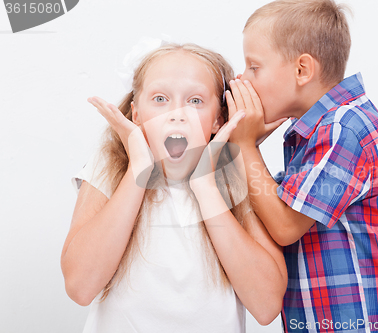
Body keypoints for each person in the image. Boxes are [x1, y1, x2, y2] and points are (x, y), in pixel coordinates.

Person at [226, 0, 378, 332]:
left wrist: (243, 146)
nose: (243, 78)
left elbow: (284, 226)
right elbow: (275, 206)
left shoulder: (344, 128)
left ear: (302, 70)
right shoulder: (319, 132)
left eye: (254, 66)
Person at [60, 42, 287, 333]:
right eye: (159, 98)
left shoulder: (236, 176)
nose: (177, 113)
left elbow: (267, 306)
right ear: (137, 114)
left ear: (218, 119)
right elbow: (80, 286)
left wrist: (205, 186)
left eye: (195, 101)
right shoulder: (109, 168)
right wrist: (138, 171)